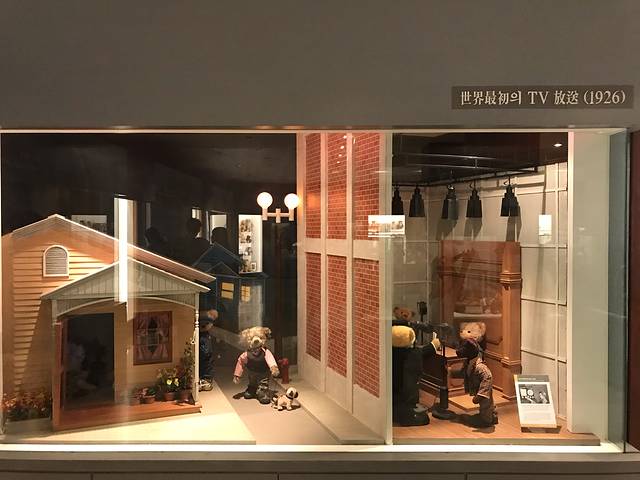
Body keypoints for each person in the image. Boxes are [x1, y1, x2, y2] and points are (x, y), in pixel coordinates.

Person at [198, 310, 218, 391]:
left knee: (207, 368)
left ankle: (206, 381)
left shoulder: (206, 336)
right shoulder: (201, 335)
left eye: (206, 323)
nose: (203, 326)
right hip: (202, 356)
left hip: (206, 358)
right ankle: (202, 380)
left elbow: (208, 349)